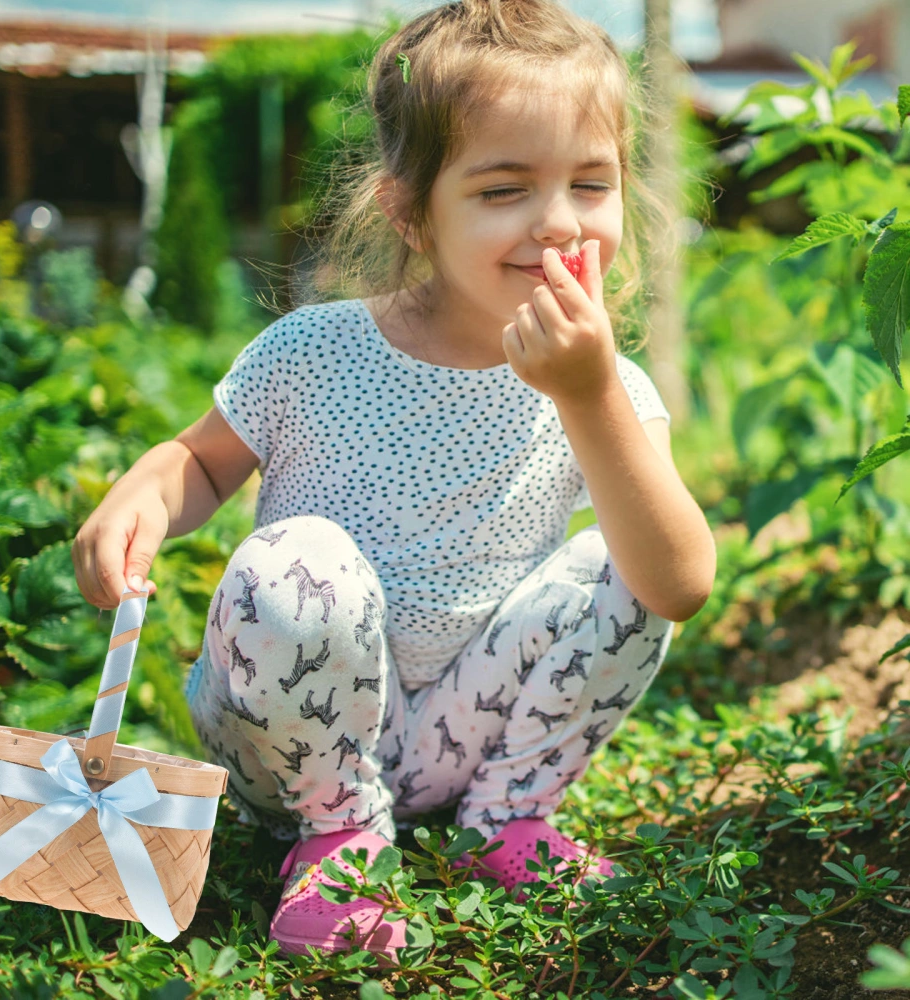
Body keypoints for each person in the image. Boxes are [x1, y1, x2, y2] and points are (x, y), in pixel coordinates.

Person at [72, 0, 716, 958]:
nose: (558, 223)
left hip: (469, 735)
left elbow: (678, 582)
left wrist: (588, 398)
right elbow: (201, 461)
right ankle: (336, 838)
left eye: (591, 182)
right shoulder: (315, 351)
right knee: (302, 557)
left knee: (619, 555)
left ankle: (505, 819)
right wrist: (144, 490)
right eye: (503, 189)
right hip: (291, 741)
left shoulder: (606, 389)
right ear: (408, 212)